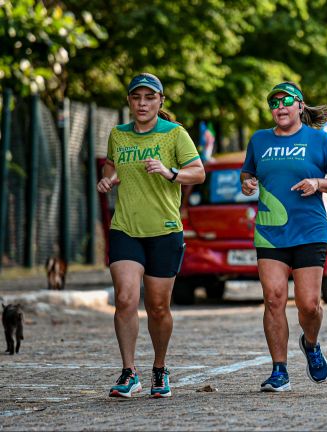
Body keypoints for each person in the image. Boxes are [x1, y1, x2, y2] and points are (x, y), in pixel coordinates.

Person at [96, 73, 205, 398]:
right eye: (136, 98)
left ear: (160, 101)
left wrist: (171, 173)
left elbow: (198, 172)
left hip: (164, 231)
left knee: (158, 307)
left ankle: (160, 368)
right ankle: (129, 372)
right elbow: (110, 166)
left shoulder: (175, 134)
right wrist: (110, 178)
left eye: (149, 98)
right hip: (126, 228)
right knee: (126, 299)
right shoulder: (118, 134)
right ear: (129, 101)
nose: (142, 104)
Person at [241, 81, 327, 392]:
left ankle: (311, 344)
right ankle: (279, 370)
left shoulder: (319, 140)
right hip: (270, 232)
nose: (280, 108)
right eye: (274, 103)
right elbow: (248, 173)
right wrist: (247, 182)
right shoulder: (259, 140)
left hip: (309, 230)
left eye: (287, 101)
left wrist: (318, 183)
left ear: (300, 106)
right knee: (274, 299)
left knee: (309, 305)